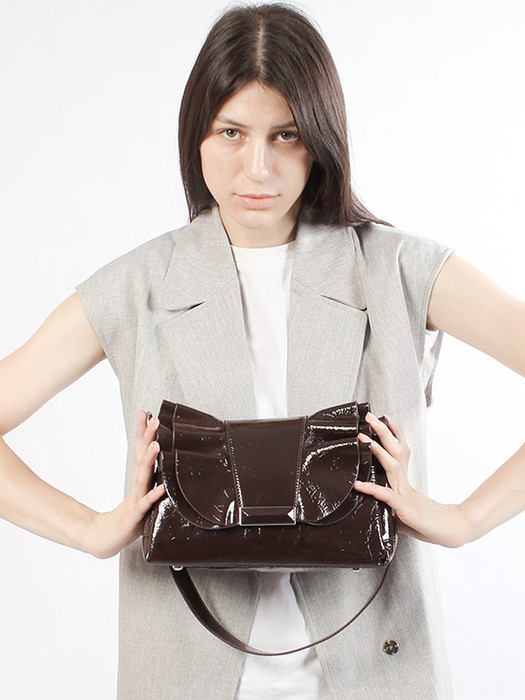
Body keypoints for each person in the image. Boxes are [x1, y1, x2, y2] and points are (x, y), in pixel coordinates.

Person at [0, 3, 524, 699]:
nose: (257, 167)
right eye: (231, 132)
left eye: (286, 135)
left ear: (320, 139)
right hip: (181, 670)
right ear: (196, 135)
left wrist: (464, 520)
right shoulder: (137, 284)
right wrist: (88, 530)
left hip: (379, 671)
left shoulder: (399, 270)